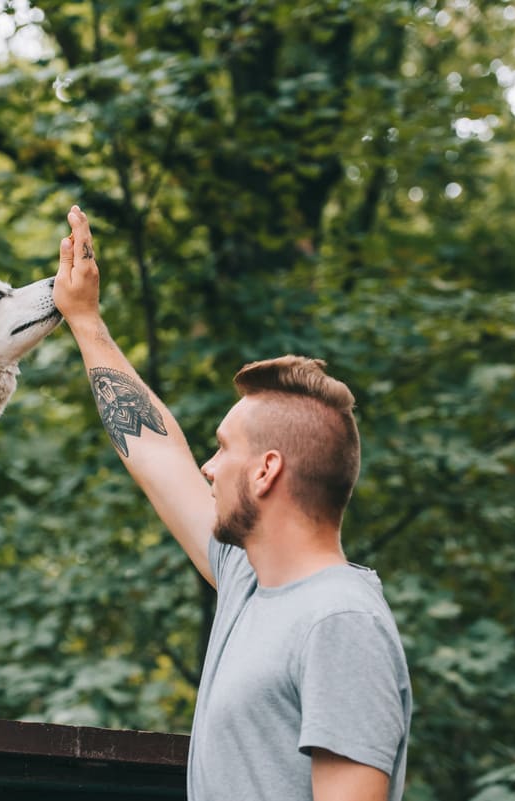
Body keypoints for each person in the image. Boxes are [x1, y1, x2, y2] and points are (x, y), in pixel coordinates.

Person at [52, 205, 413, 801]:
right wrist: (86, 320)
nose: (207, 467)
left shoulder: (339, 623)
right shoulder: (248, 581)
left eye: (222, 449)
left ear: (268, 470)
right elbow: (155, 453)